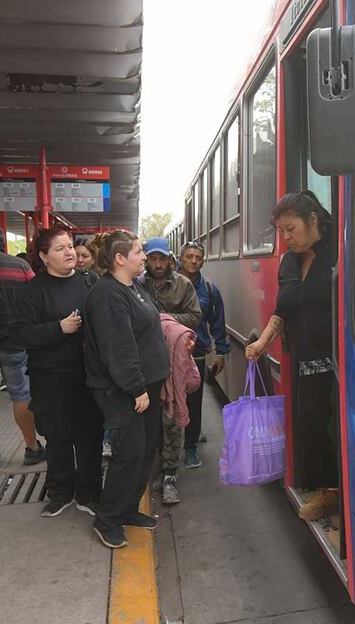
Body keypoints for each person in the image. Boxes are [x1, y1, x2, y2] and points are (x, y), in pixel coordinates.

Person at [246, 190, 339, 521]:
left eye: (290, 229)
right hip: (304, 358)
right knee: (308, 423)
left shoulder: (338, 252)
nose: (285, 238)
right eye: (281, 231)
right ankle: (327, 493)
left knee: (337, 427)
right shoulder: (288, 261)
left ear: (313, 220)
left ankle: (346, 494)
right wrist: (263, 342)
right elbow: (282, 310)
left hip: (338, 361)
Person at [84, 231, 170, 548]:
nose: (144, 256)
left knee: (146, 450)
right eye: (138, 252)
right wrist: (136, 389)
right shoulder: (107, 295)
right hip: (125, 390)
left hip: (146, 385)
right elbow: (118, 349)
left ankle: (128, 509)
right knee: (128, 454)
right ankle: (107, 520)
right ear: (120, 259)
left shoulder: (133, 286)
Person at [11, 227, 102, 518]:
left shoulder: (90, 282)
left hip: (88, 375)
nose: (69, 252)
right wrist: (58, 329)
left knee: (90, 436)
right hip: (49, 377)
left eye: (70, 246)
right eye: (60, 248)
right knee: (58, 437)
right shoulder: (33, 291)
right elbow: (20, 334)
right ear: (43, 256)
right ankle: (60, 491)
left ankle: (89, 493)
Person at [0, 222, 45, 469]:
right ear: (1, 241)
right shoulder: (20, 265)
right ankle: (32, 447)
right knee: (22, 394)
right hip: (14, 341)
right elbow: (35, 298)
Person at [141, 237, 200, 505]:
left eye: (162, 259)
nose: (157, 264)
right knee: (150, 419)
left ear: (169, 259)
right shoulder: (136, 284)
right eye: (152, 259)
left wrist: (166, 320)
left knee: (172, 416)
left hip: (175, 363)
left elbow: (195, 316)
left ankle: (169, 477)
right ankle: (155, 469)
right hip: (146, 362)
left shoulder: (183, 285)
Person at [177, 241, 230, 469]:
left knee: (194, 402)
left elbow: (218, 322)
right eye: (189, 256)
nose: (193, 261)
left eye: (198, 257)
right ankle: (165, 451)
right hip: (167, 354)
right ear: (181, 258)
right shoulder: (168, 284)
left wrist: (221, 352)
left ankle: (190, 448)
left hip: (196, 354)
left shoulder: (209, 288)